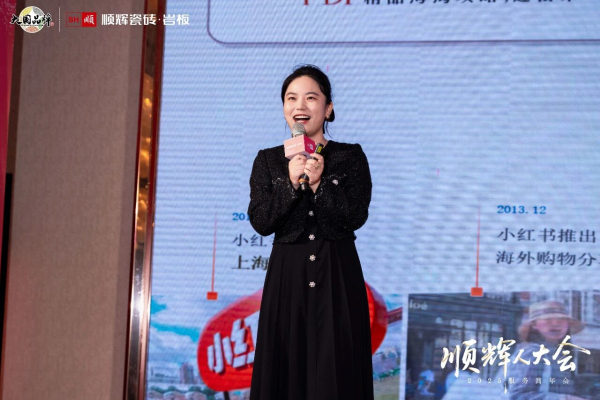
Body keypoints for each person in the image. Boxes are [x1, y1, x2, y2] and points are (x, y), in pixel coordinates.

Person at [248, 65, 374, 400]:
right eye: (291, 98)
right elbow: (261, 221)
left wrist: (320, 185)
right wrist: (289, 184)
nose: (300, 105)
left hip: (337, 273)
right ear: (284, 109)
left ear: (328, 108)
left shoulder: (350, 156)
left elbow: (355, 216)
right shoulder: (268, 160)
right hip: (287, 277)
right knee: (284, 370)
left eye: (311, 98)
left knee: (338, 370)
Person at [508, 300, 588, 400]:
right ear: (534, 325)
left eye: (561, 320)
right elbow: (517, 396)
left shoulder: (560, 354)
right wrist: (565, 398)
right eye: (548, 320)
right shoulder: (532, 353)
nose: (555, 324)